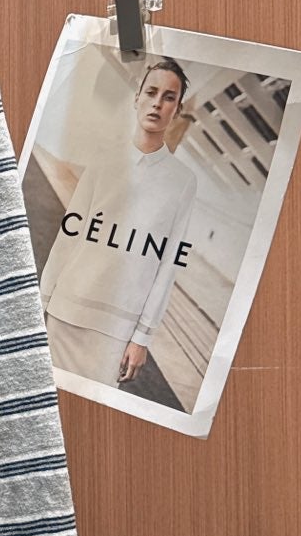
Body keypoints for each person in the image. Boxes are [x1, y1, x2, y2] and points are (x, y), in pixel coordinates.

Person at [38, 56, 197, 388]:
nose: (157, 103)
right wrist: (41, 302)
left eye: (169, 97)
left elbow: (168, 264)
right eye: (151, 92)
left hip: (116, 330)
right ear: (137, 98)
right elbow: (69, 236)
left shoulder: (182, 182)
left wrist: (142, 337)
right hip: (66, 311)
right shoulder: (103, 158)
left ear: (177, 110)